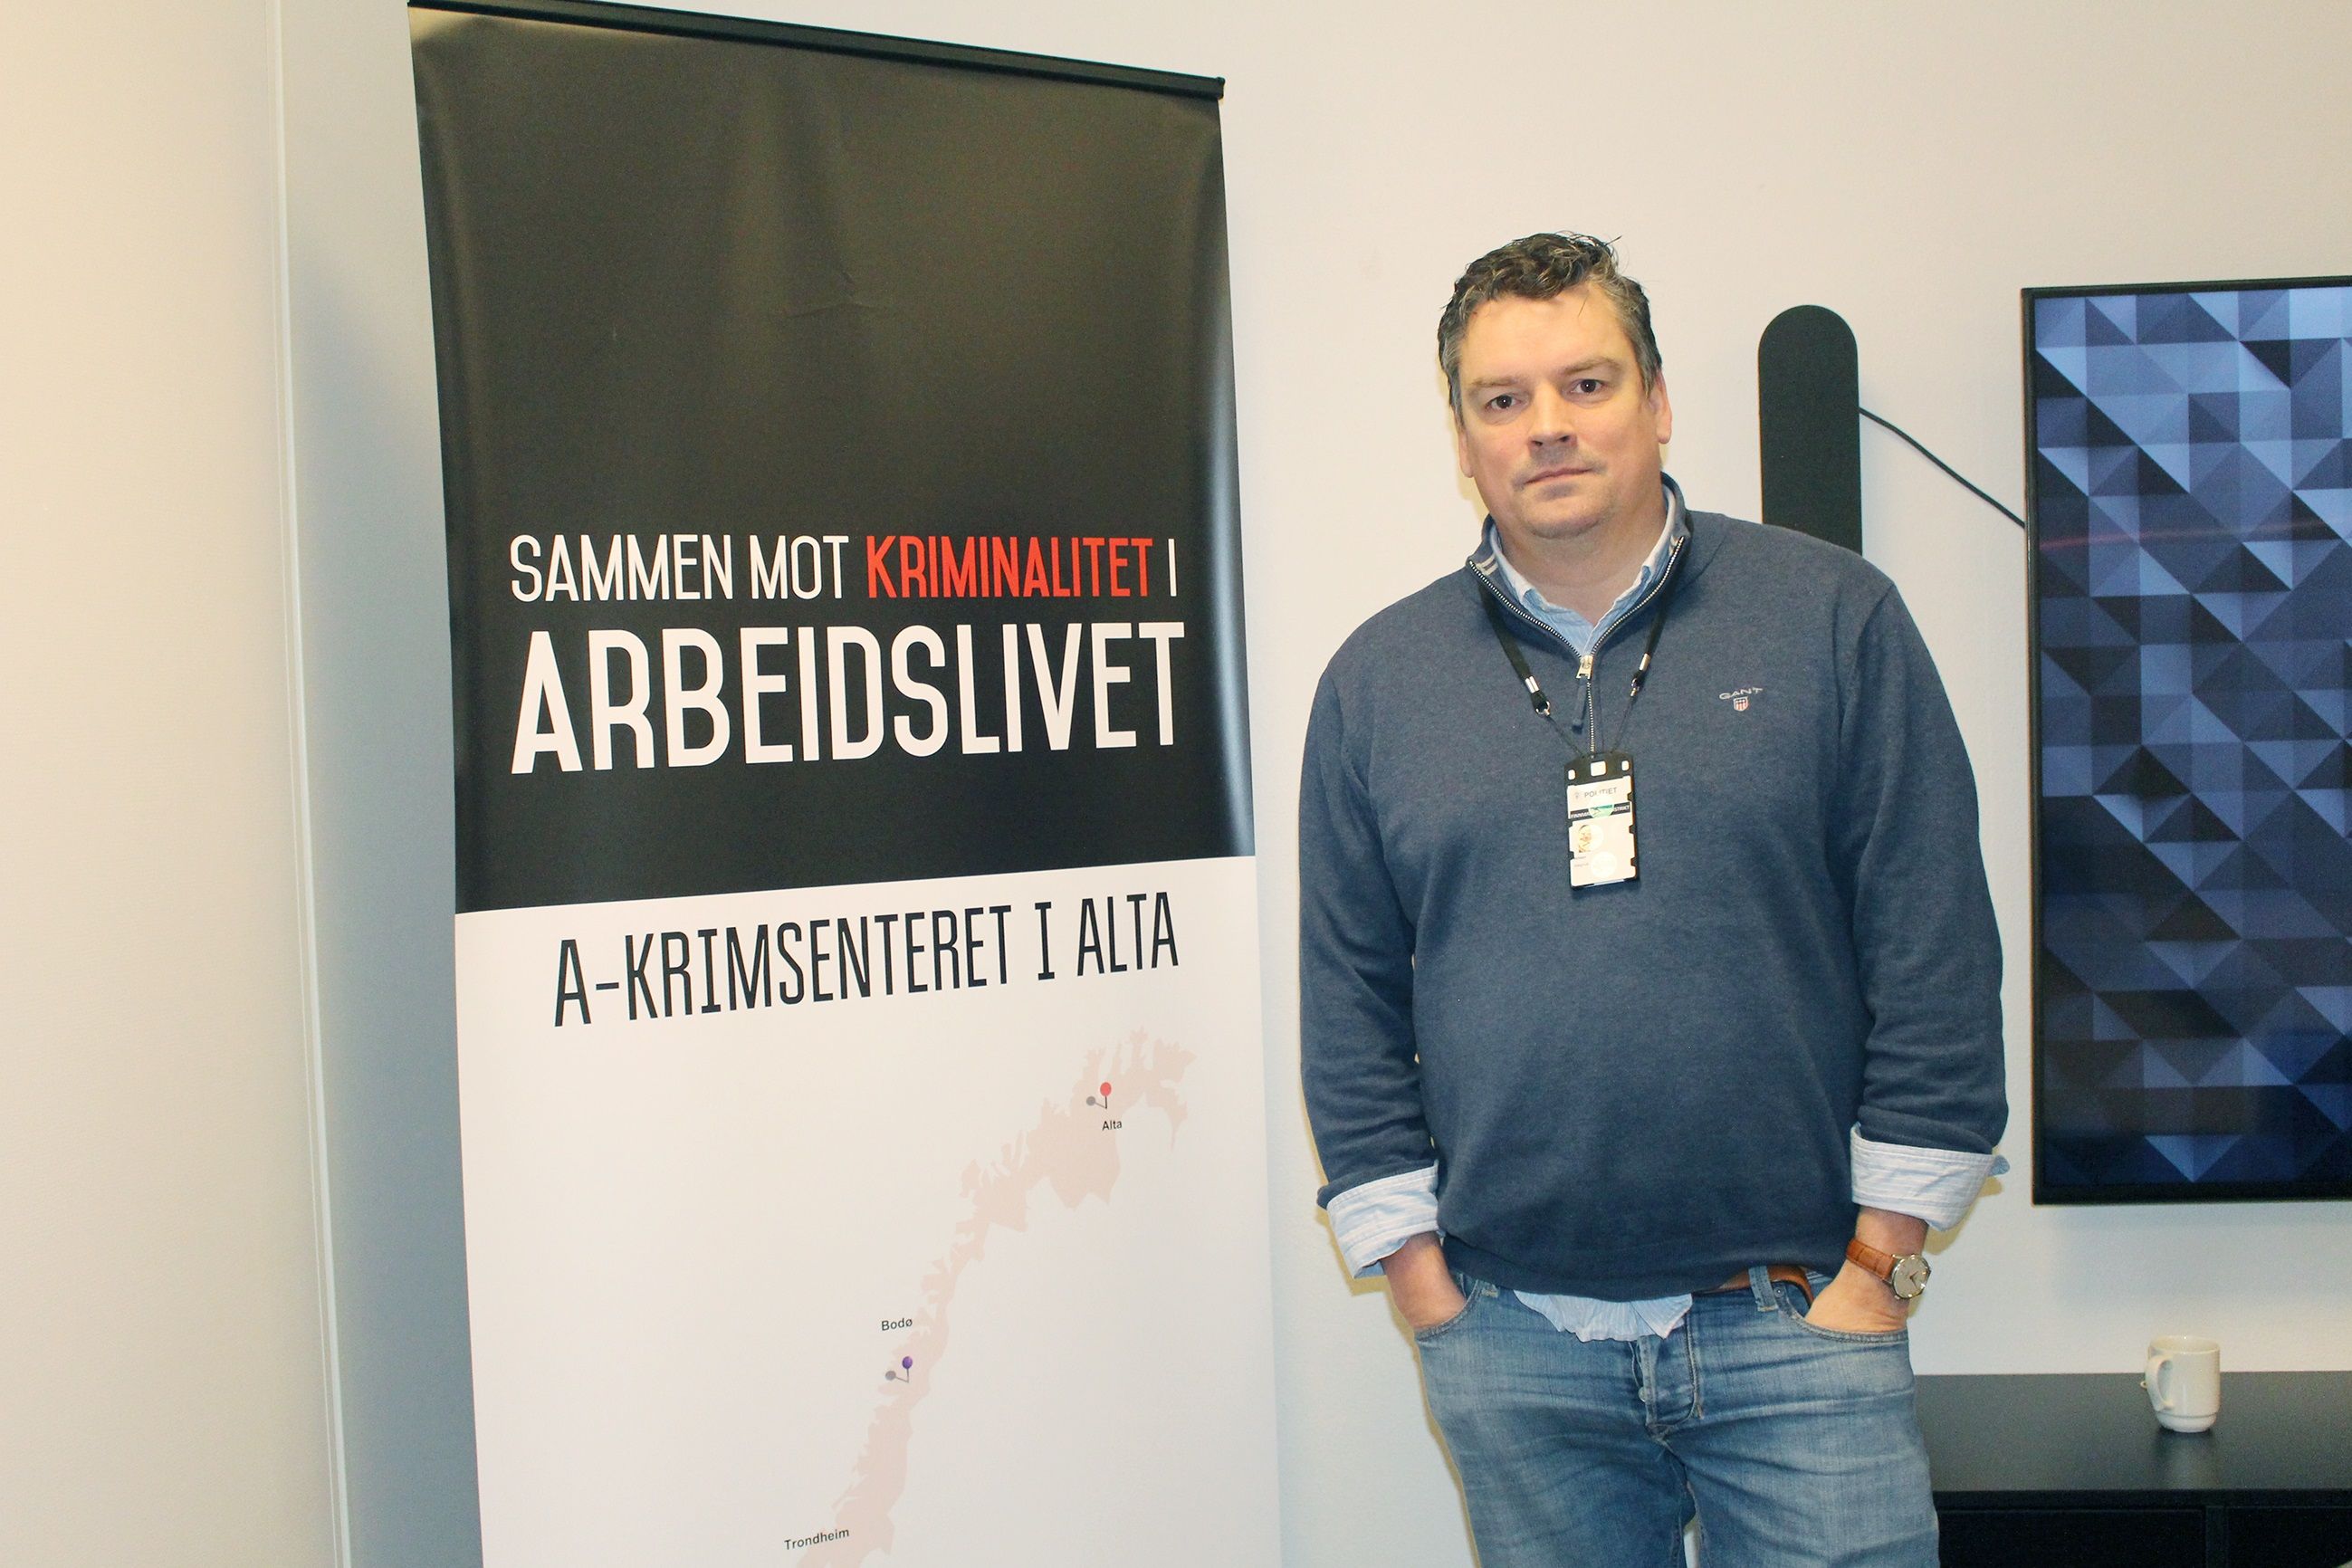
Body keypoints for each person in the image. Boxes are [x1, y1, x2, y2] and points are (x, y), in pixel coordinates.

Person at [1298, 232, 2007, 1567]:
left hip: (1800, 1319)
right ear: (1463, 439)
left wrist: (1881, 1265)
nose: (1547, 427)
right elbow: (1347, 1002)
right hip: (1514, 1345)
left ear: (1659, 400)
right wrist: (1423, 1288)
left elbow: (1934, 948)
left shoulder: (1834, 618)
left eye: (1587, 383)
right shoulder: (1377, 682)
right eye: (1502, 399)